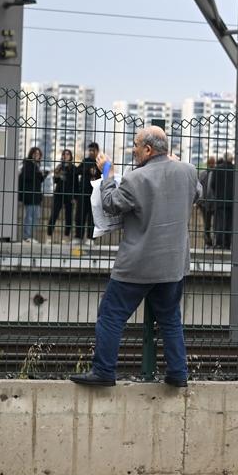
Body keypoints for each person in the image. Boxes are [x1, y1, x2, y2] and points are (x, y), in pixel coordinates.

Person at [69, 126, 201, 388]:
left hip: (138, 264)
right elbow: (198, 193)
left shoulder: (135, 178)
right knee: (170, 318)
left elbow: (110, 203)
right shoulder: (188, 171)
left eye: (136, 144)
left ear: (148, 150)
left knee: (111, 314)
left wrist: (108, 173)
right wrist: (175, 162)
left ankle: (104, 371)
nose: (133, 149)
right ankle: (178, 373)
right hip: (173, 264)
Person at [47, 149, 78, 243]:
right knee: (54, 215)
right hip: (59, 194)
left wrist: (75, 197)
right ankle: (48, 236)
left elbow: (76, 183)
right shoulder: (59, 167)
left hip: (69, 195)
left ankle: (66, 237)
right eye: (64, 154)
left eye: (68, 154)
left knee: (69, 217)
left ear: (71, 156)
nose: (65, 156)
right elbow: (55, 181)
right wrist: (56, 175)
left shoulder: (73, 168)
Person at [17, 147, 47, 244]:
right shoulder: (28, 165)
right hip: (30, 196)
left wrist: (42, 175)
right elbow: (26, 178)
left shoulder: (35, 166)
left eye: (38, 154)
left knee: (35, 217)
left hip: (36, 196)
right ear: (31, 154)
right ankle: (27, 237)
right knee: (29, 217)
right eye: (35, 153)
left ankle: (30, 237)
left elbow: (37, 180)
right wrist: (38, 174)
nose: (36, 155)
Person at [75, 142, 101, 243]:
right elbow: (77, 171)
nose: (91, 152)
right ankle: (79, 237)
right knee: (80, 215)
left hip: (95, 194)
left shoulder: (100, 161)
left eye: (93, 150)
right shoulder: (85, 161)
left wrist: (97, 172)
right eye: (90, 150)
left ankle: (91, 238)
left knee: (93, 217)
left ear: (97, 151)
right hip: (83, 193)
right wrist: (87, 169)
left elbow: (106, 175)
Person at [211, 152, 235, 250]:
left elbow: (212, 184)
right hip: (233, 201)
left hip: (220, 200)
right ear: (232, 159)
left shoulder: (217, 169)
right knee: (229, 223)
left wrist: (217, 194)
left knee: (220, 222)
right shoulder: (235, 169)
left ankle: (219, 243)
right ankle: (227, 244)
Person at [198, 155, 218, 249]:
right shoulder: (203, 174)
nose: (211, 165)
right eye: (211, 163)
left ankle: (212, 242)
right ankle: (209, 242)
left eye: (212, 163)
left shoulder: (214, 174)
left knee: (212, 225)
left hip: (212, 203)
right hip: (206, 204)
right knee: (208, 225)